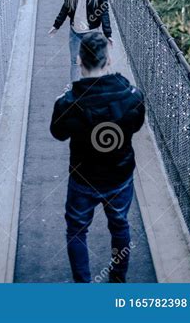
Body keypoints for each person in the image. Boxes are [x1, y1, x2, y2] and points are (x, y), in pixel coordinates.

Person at [50, 31, 145, 283]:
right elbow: (135, 125)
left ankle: (83, 286)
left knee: (77, 231)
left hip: (83, 179)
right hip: (119, 177)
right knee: (120, 225)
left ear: (79, 61)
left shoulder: (68, 103)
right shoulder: (133, 96)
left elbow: (58, 133)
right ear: (109, 61)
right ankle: (117, 280)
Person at [49, 0, 112, 81]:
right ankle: (75, 89)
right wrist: (57, 25)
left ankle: (97, 90)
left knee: (96, 63)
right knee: (74, 61)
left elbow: (104, 10)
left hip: (92, 32)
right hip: (75, 32)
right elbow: (66, 6)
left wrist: (107, 33)